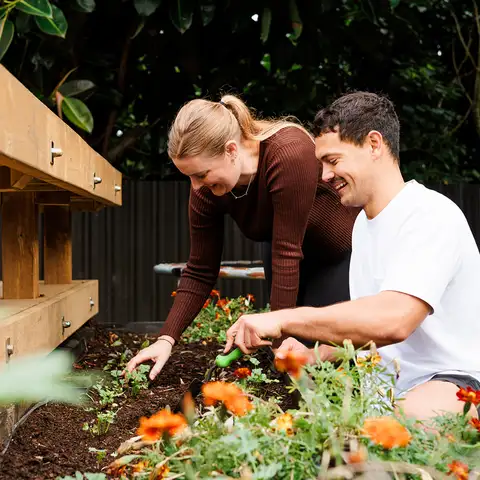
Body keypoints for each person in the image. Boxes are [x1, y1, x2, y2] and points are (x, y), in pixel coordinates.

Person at [224, 91, 480, 421]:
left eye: (333, 160)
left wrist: (282, 319)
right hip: (389, 400)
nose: (325, 175)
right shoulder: (363, 226)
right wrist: (318, 355)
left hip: (459, 384)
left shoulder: (429, 216)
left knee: (400, 425)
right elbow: (372, 329)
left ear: (374, 145)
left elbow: (395, 320)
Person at [126, 95, 359, 380]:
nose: (196, 187)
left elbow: (287, 252)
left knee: (324, 364)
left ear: (231, 150)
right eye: (189, 177)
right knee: (290, 367)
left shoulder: (288, 153)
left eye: (201, 174)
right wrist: (166, 339)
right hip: (283, 257)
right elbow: (200, 269)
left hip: (337, 257)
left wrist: (275, 332)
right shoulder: (206, 192)